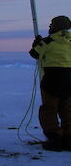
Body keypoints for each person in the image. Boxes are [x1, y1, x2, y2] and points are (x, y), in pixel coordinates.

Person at [29, 15, 71, 151]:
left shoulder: (48, 41)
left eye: (51, 25)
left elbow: (34, 53)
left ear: (56, 26)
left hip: (52, 80)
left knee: (49, 109)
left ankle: (54, 139)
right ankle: (68, 139)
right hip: (69, 79)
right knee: (67, 110)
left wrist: (37, 44)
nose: (49, 27)